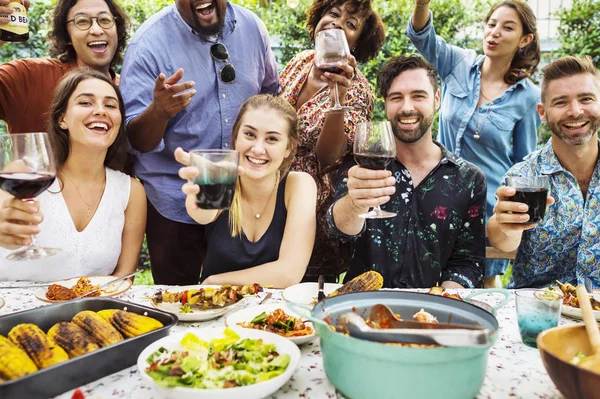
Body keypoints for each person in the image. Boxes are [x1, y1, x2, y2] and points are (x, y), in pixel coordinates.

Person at [121, 0, 279, 285]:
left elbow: (270, 99)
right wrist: (158, 112)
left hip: (239, 199)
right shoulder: (147, 45)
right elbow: (135, 140)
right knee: (180, 305)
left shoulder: (253, 29)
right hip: (175, 202)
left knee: (238, 303)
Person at [406, 0, 541, 287]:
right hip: (437, 198)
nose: (495, 32)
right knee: (427, 280)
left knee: (482, 287)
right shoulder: (458, 64)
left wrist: (514, 219)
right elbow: (421, 35)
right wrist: (422, 4)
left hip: (488, 209)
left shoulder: (528, 98)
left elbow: (523, 163)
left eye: (507, 28)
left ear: (524, 39)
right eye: (491, 24)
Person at [328, 55, 486, 289]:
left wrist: (440, 303)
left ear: (437, 99)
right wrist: (355, 203)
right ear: (385, 104)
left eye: (418, 96)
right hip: (362, 307)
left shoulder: (469, 179)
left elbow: (468, 263)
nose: (407, 107)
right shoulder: (359, 166)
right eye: (396, 98)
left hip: (433, 312)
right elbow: (338, 232)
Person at [0, 69, 146, 281]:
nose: (100, 110)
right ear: (62, 120)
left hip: (85, 313)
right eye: (86, 103)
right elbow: (3, 206)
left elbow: (124, 277)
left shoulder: (132, 192)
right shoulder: (25, 172)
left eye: (110, 105)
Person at [279, 0, 385, 280]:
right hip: (271, 198)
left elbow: (327, 156)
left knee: (303, 296)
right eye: (333, 14)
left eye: (350, 24)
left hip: (312, 213)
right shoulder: (300, 62)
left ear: (357, 43)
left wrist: (338, 99)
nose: (337, 23)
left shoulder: (358, 89)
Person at [174, 95, 317, 288]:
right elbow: (204, 214)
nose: (258, 149)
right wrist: (198, 196)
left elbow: (289, 273)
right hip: (216, 308)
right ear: (235, 138)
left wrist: (213, 282)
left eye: (272, 139)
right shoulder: (219, 176)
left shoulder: (299, 185)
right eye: (249, 134)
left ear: (288, 149)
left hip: (277, 313)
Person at [488, 56, 600, 289]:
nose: (575, 111)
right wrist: (505, 224)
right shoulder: (524, 175)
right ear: (542, 112)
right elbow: (503, 240)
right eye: (561, 102)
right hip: (540, 315)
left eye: (586, 99)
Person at [0, 0, 128, 133]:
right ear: (67, 36)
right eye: (82, 21)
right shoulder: (28, 76)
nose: (96, 30)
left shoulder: (130, 90)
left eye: (105, 20)